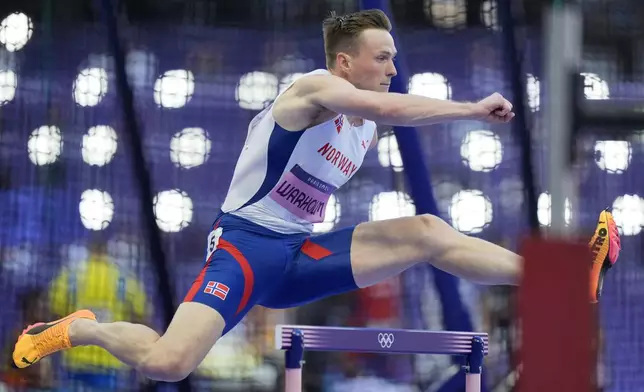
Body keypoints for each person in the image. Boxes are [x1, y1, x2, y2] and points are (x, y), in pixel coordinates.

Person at [13, 9, 621, 382]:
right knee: (171, 364)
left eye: (395, 58)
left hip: (297, 259)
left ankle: (563, 278)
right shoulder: (311, 90)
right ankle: (81, 329)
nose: (392, 67)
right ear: (343, 63)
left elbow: (381, 108)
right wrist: (469, 107)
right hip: (244, 252)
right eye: (382, 57)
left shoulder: (362, 127)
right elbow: (386, 105)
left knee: (427, 232)